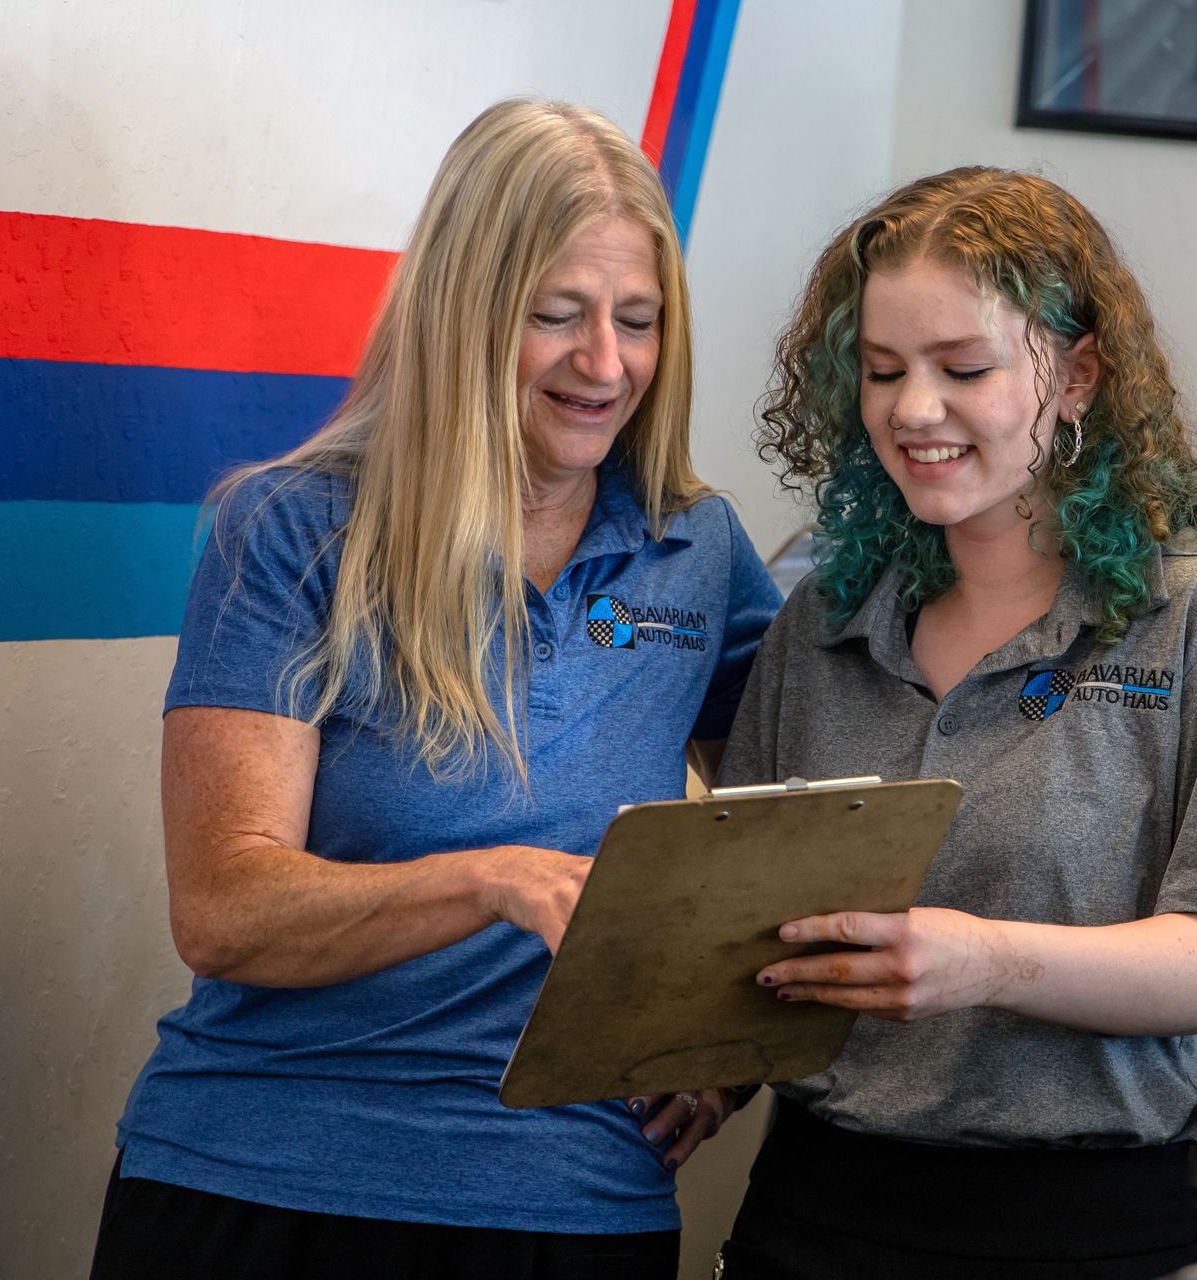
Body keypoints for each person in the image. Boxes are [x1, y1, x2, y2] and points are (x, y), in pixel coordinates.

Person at [89, 99, 782, 1278]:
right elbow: (223, 908)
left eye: (637, 320)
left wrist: (731, 1048)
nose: (605, 364)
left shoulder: (697, 549)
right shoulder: (293, 529)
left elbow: (805, 829)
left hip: (575, 1202)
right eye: (554, 316)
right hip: (263, 1180)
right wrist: (490, 881)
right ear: (464, 311)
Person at [712, 166, 1197, 1279]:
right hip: (812, 1216)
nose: (913, 410)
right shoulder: (821, 623)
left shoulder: (1193, 621)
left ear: (1078, 373)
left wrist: (986, 960)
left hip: (1086, 1228)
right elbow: (747, 926)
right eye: (884, 370)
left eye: (964, 369)